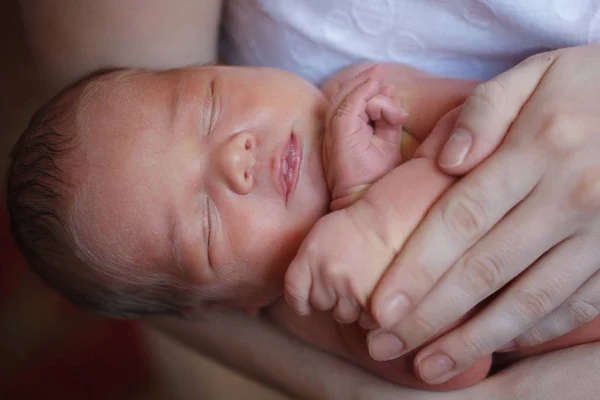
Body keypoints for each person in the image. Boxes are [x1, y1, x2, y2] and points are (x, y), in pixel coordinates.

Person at [16, 0, 600, 399]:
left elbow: (488, 127)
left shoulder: (361, 90)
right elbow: (462, 365)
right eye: (204, 222)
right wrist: (359, 206)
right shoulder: (316, 311)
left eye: (211, 105)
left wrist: (373, 204)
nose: (234, 158)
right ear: (230, 303)